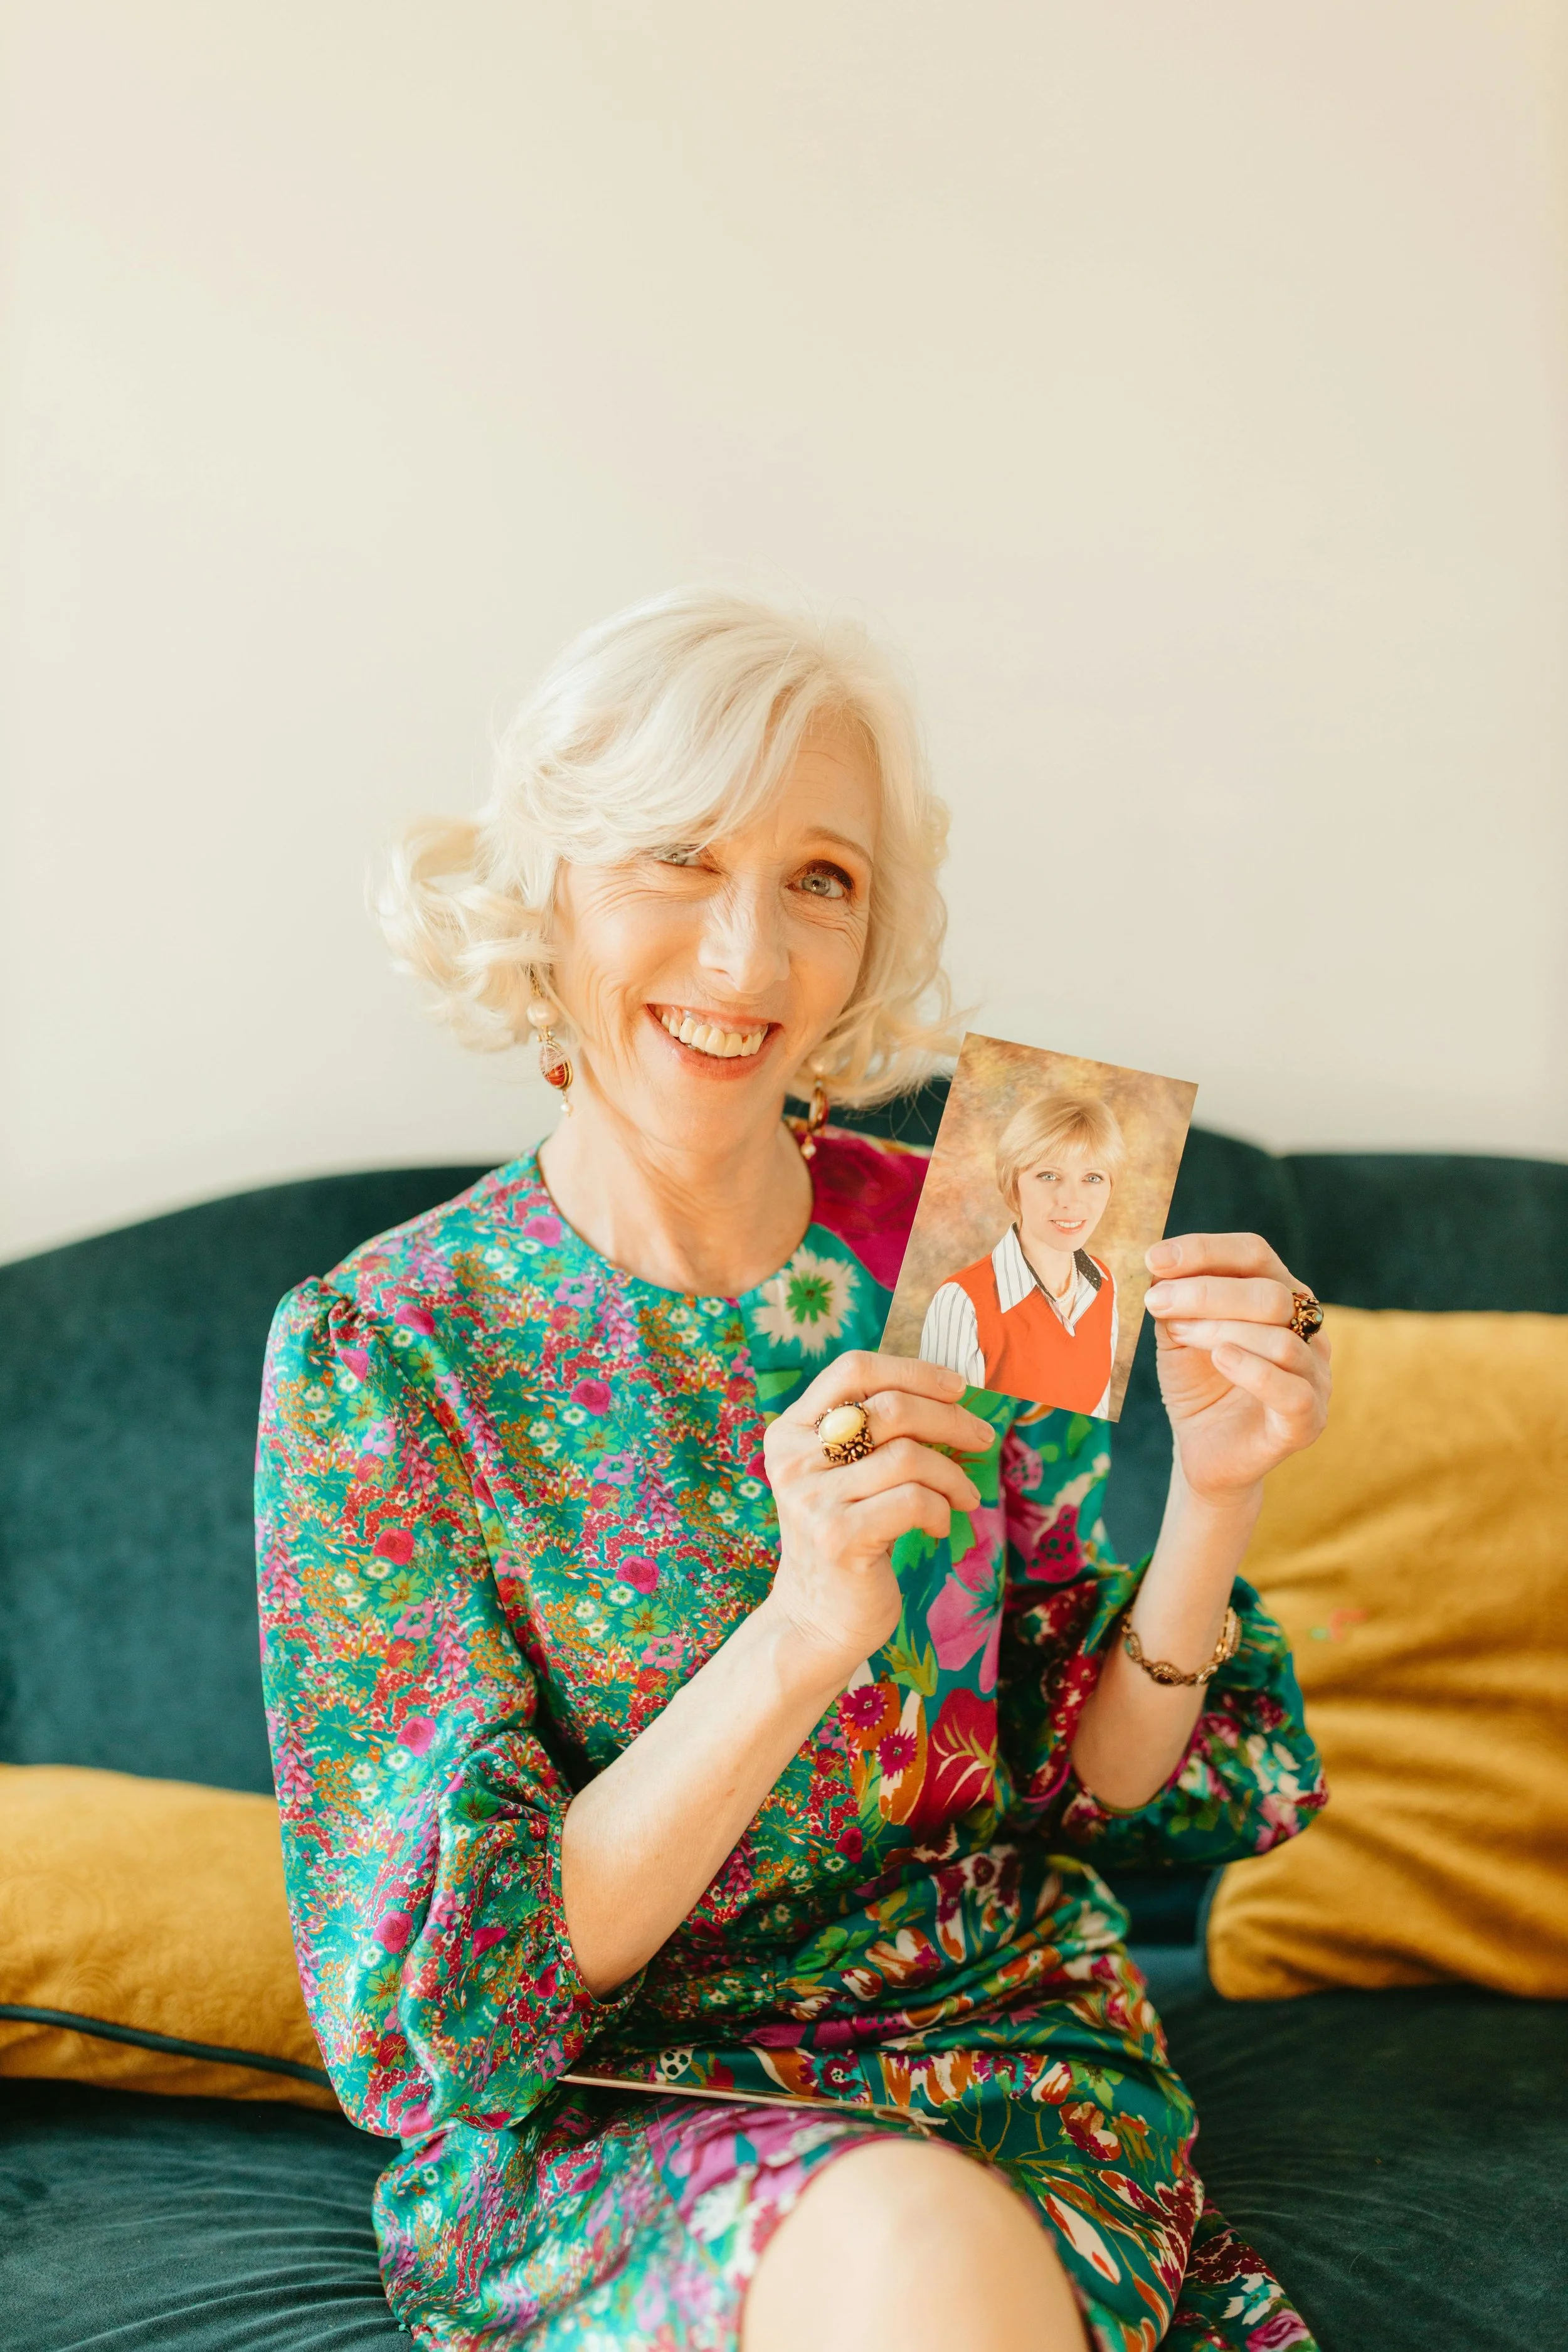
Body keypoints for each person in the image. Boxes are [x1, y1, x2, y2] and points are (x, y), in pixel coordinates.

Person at [255, 588, 1333, 2352]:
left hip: (994, 2046)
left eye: (816, 880)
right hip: (611, 2108)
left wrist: (1210, 1495)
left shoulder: (976, 1228)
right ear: (553, 890)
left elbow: (1088, 1777)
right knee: (907, 2244)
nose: (747, 960)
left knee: (940, 2228)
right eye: (678, 858)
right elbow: (443, 2010)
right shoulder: (387, 1350)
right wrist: (799, 1629)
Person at [920, 1095, 1126, 1412]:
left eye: (1092, 1178)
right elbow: (948, 1441)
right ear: (1014, 1184)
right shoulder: (962, 1302)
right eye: (1049, 1176)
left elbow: (1092, 1423)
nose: (1072, 1200)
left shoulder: (1105, 1283)